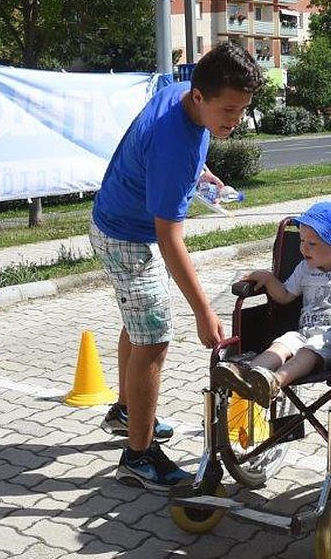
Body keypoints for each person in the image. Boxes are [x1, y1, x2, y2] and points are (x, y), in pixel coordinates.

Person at [89, 42, 263, 491]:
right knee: (154, 339)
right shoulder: (175, 145)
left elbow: (169, 154)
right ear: (201, 96)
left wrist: (198, 173)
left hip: (117, 220)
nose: (235, 120)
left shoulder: (182, 95)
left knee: (138, 322)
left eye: (242, 110)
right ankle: (138, 456)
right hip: (127, 237)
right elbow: (170, 240)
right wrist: (204, 311)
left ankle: (126, 412)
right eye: (228, 110)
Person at [211, 201, 331, 407]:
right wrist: (268, 278)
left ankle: (274, 382)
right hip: (305, 332)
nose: (303, 248)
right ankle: (246, 376)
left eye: (312, 243)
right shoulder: (305, 269)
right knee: (282, 344)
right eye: (302, 240)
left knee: (308, 352)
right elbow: (285, 296)